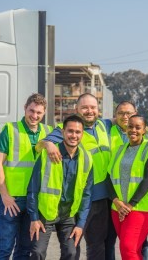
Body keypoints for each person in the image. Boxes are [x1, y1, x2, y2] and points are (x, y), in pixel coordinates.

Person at [36, 93, 111, 260]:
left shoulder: (104, 126)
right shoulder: (69, 128)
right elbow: (41, 144)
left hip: (101, 197)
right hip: (77, 199)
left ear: (98, 109)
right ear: (77, 109)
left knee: (97, 244)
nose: (89, 111)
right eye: (84, 107)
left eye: (93, 107)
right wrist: (48, 144)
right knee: (73, 246)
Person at [0, 93, 52, 260]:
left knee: (25, 249)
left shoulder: (48, 132)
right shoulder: (11, 130)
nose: (34, 116)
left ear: (44, 113)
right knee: (4, 247)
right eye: (31, 111)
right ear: (25, 108)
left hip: (34, 201)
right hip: (12, 199)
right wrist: (5, 195)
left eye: (39, 113)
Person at [27, 115, 93, 260]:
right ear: (63, 132)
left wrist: (80, 224)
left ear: (82, 134)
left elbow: (87, 194)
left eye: (78, 132)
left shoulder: (87, 158)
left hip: (68, 215)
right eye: (70, 131)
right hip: (46, 213)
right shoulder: (47, 154)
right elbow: (33, 188)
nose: (74, 135)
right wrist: (34, 218)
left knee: (71, 253)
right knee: (37, 252)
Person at [107, 115, 148, 260]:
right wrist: (117, 202)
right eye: (130, 126)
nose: (133, 130)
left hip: (141, 209)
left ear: (144, 130)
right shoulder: (118, 150)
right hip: (118, 209)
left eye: (138, 127)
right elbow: (109, 177)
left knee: (128, 248)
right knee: (130, 251)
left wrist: (130, 205)